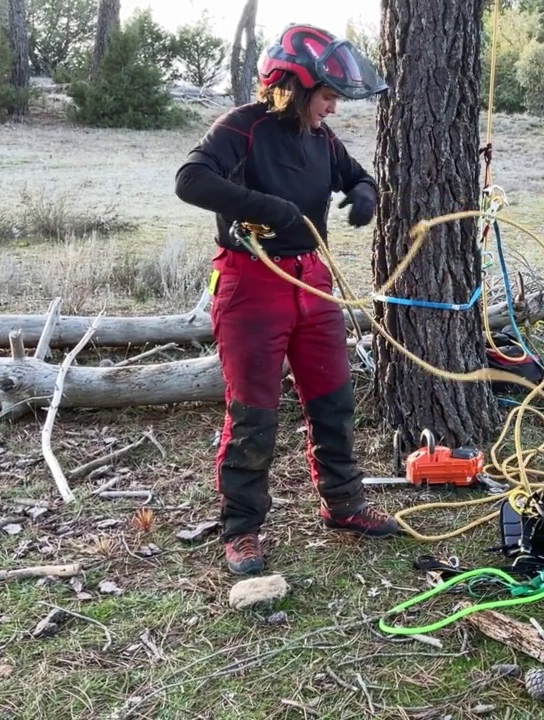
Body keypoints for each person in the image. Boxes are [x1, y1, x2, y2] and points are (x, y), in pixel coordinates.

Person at [174, 23, 399, 576]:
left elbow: (355, 175)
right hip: (250, 282)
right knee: (253, 412)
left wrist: (366, 193)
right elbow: (190, 180)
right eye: (327, 97)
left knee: (333, 397)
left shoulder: (320, 138)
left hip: (311, 281)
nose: (333, 109)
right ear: (295, 86)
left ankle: (345, 506)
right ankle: (243, 530)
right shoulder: (242, 128)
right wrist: (268, 207)